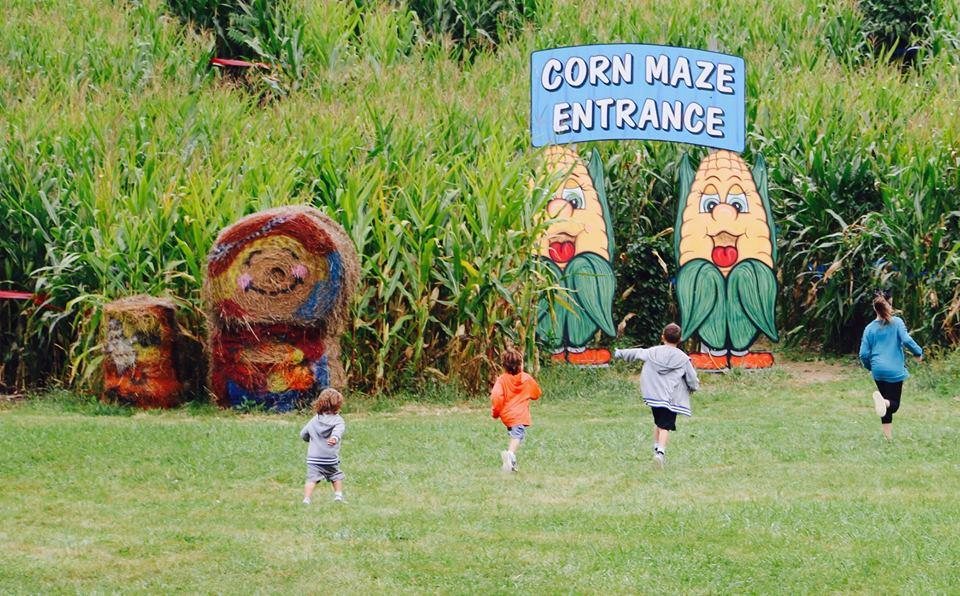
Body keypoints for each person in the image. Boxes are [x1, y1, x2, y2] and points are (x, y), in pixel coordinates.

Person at [614, 323, 700, 468]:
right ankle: (660, 453)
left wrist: (619, 353)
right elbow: (691, 378)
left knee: (659, 423)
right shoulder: (683, 359)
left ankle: (656, 449)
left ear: (662, 337)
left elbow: (636, 353)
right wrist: (694, 387)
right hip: (671, 398)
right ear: (680, 339)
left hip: (654, 396)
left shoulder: (652, 352)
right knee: (665, 426)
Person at [859, 293, 923, 440]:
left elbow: (863, 354)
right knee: (893, 404)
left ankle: (888, 438)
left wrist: (870, 367)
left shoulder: (869, 328)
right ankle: (884, 403)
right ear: (889, 306)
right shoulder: (897, 322)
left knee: (884, 406)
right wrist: (918, 352)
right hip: (894, 370)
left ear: (875, 308)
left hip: (878, 370)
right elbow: (906, 340)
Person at [490, 348, 542, 472]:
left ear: (504, 366)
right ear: (520, 364)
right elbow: (536, 394)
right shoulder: (526, 378)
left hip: (507, 416)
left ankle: (511, 464)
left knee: (516, 435)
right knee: (517, 436)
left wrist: (496, 412)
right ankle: (510, 455)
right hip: (519, 416)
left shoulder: (501, 380)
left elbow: (497, 397)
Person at [300, 388, 346, 503]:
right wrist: (334, 438)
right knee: (336, 475)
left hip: (313, 458)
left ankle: (306, 499)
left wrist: (309, 439)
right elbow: (338, 432)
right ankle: (338, 496)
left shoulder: (314, 420)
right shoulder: (338, 420)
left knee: (311, 479)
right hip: (329, 457)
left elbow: (303, 434)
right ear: (338, 405)